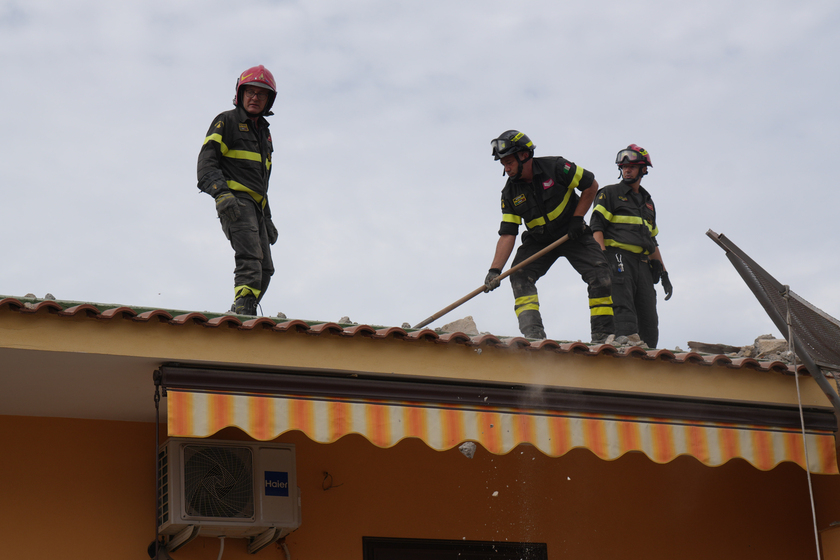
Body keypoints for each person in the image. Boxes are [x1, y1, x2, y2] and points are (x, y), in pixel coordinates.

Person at [483, 130, 615, 342]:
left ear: (524, 156)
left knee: (601, 275)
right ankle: (533, 336)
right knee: (519, 275)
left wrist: (577, 218)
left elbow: (591, 186)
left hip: (573, 234)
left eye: (508, 162)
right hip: (539, 240)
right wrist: (494, 270)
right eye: (503, 164)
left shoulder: (556, 167)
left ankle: (603, 337)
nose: (506, 168)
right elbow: (508, 234)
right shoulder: (509, 193)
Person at [196, 65, 278, 316]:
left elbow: (260, 183)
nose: (255, 97)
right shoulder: (227, 121)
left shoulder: (264, 134)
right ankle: (243, 311)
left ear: (268, 100)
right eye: (250, 92)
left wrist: (267, 218)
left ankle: (244, 307)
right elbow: (206, 162)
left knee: (265, 268)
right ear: (240, 95)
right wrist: (221, 193)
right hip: (235, 200)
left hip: (256, 206)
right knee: (250, 256)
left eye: (261, 94)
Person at [590, 144, 672, 348]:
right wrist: (601, 260)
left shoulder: (647, 202)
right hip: (617, 257)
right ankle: (623, 353)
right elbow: (596, 228)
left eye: (632, 167)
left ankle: (648, 359)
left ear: (644, 169)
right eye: (624, 167)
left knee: (649, 320)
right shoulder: (609, 193)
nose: (626, 170)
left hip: (642, 263)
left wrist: (663, 272)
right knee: (623, 309)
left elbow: (652, 240)